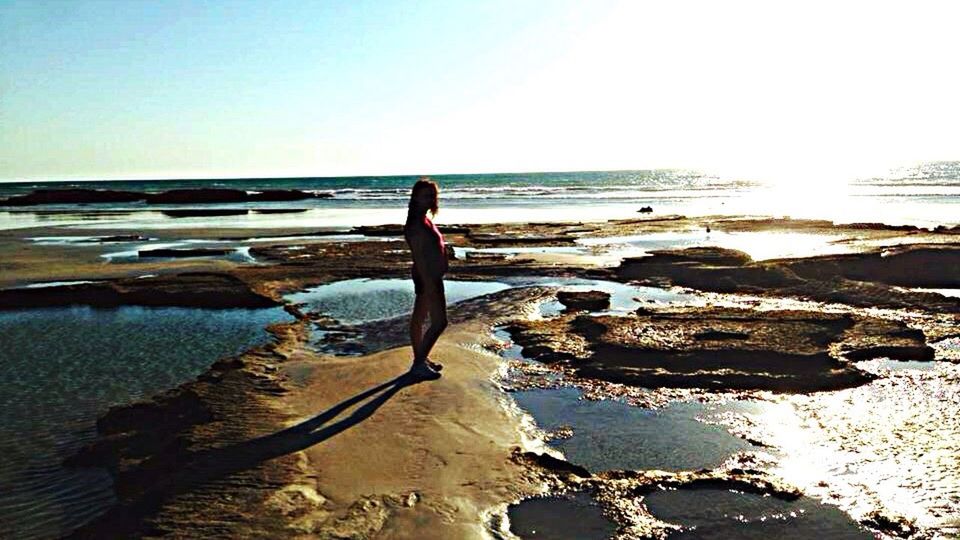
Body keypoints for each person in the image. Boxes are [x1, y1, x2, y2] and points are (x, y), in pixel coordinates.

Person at [404, 178, 448, 379]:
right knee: (440, 322)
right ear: (415, 197)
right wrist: (429, 283)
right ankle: (418, 364)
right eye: (426, 196)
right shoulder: (415, 223)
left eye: (432, 195)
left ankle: (421, 359)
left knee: (419, 318)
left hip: (428, 275)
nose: (430, 199)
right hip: (428, 277)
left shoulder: (423, 219)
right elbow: (419, 257)